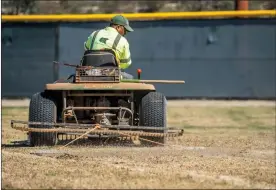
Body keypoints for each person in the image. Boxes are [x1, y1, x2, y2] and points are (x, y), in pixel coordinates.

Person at [83, 15, 134, 79]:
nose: (125, 33)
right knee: (130, 78)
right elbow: (126, 64)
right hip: (111, 76)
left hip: (90, 73)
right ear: (118, 27)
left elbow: (86, 50)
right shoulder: (123, 40)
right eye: (125, 30)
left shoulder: (94, 34)